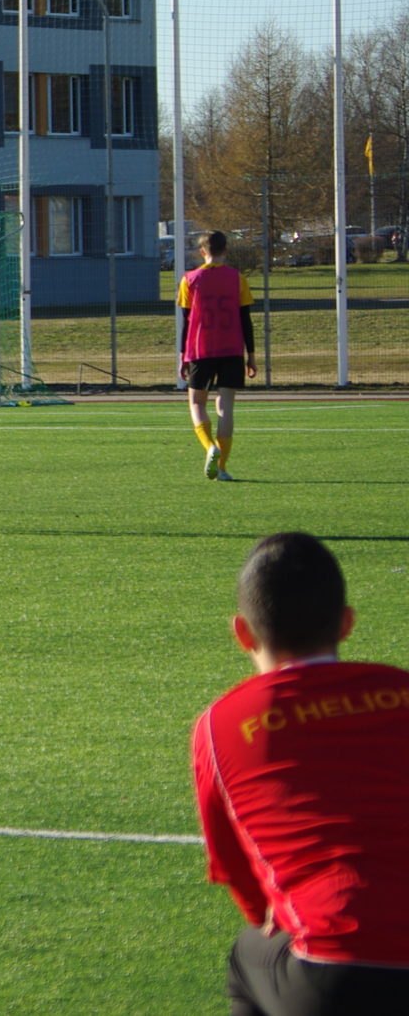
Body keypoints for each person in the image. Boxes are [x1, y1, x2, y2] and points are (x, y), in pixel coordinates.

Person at [192, 532, 409, 1015]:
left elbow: (233, 864)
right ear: (346, 622)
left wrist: (268, 916)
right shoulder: (400, 688)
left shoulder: (222, 723)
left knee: (249, 954)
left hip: (335, 967)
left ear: (242, 633)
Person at [178, 230, 257, 482]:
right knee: (225, 407)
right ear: (226, 251)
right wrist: (251, 355)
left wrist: (182, 356)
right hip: (232, 349)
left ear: (202, 252)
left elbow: (186, 322)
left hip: (200, 349)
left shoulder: (189, 279)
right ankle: (221, 467)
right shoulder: (238, 278)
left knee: (196, 403)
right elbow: (246, 319)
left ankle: (209, 446)